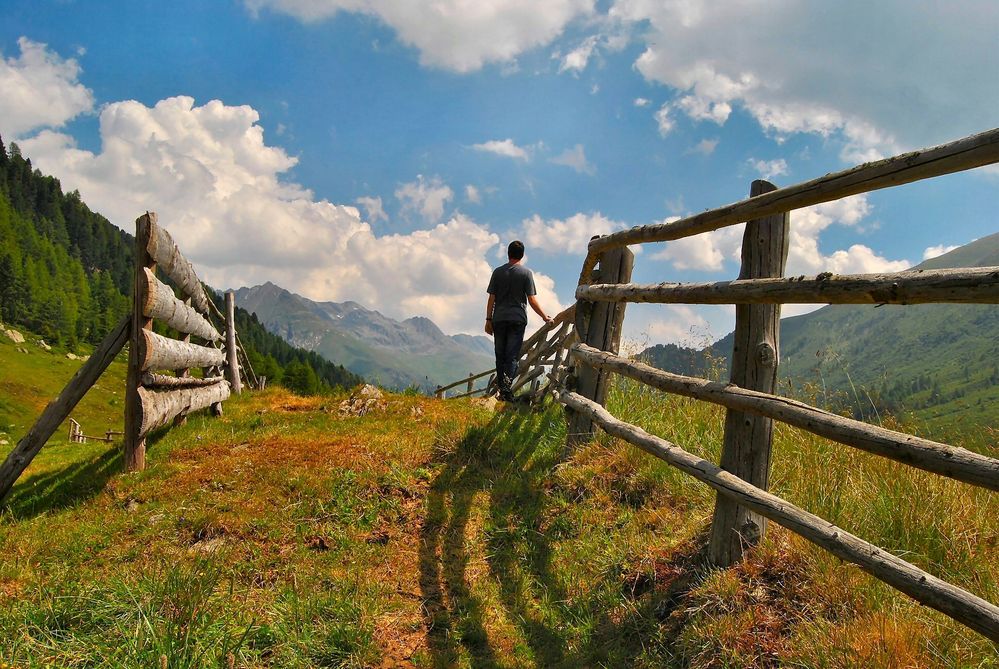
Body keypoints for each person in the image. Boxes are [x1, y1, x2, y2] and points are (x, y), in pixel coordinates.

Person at [485, 240, 552, 401]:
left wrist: (488, 319)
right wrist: (544, 317)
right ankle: (506, 390)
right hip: (517, 319)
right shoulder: (526, 273)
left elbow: (491, 298)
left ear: (508, 253)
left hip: (499, 319)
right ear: (522, 255)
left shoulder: (497, 272)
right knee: (512, 357)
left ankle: (503, 390)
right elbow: (532, 300)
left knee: (500, 356)